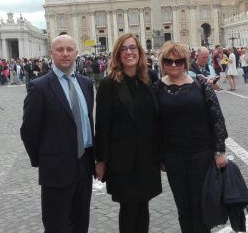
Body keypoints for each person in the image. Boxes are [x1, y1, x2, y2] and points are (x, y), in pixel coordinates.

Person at [20, 35, 95, 233]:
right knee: (57, 225)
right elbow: (29, 130)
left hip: (84, 163)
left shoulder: (86, 83)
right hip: (55, 168)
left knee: (81, 222)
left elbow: (88, 122)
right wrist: (44, 160)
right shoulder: (39, 87)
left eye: (69, 49)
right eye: (59, 49)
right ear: (51, 53)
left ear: (76, 53)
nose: (65, 54)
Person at [155, 41, 228, 233]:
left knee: (201, 204)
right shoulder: (156, 89)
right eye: (168, 61)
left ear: (185, 62)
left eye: (178, 61)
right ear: (162, 63)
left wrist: (220, 150)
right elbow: (154, 125)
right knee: (183, 207)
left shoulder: (201, 85)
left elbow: (217, 119)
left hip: (202, 154)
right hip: (173, 157)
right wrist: (159, 156)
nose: (173, 65)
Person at [95, 33, 162, 233]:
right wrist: (101, 161)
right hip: (122, 159)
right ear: (117, 54)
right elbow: (102, 125)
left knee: (143, 205)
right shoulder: (108, 84)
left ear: (140, 52)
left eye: (133, 48)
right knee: (129, 207)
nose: (129, 52)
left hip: (147, 156)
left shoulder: (150, 77)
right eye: (124, 49)